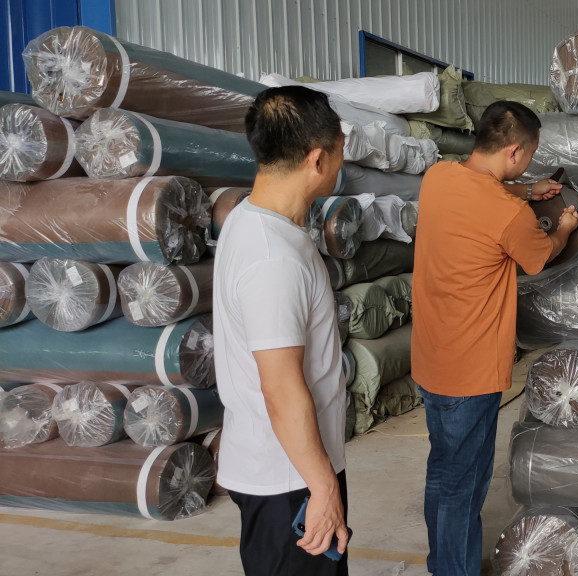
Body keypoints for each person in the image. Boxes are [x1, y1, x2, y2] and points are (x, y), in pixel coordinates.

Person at [412, 100, 578, 576]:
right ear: (514, 152)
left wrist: (528, 189)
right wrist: (564, 227)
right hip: (471, 371)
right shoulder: (510, 215)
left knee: (443, 471)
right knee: (464, 487)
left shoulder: (438, 178)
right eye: (529, 156)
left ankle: (441, 563)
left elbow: (481, 193)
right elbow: (541, 254)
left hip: (431, 359)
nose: (528, 164)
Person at [213, 86, 350, 576]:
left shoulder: (250, 220)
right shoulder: (273, 259)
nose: (341, 163)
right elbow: (280, 388)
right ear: (317, 159)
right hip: (289, 480)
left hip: (288, 469)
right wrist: (323, 488)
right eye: (340, 152)